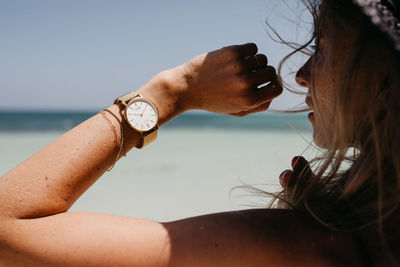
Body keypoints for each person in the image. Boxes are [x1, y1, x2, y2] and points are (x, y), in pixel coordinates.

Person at [0, 0, 399, 265]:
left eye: (325, 46)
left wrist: (170, 93)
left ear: (385, 74)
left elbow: (7, 230)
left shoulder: (301, 245)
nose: (301, 74)